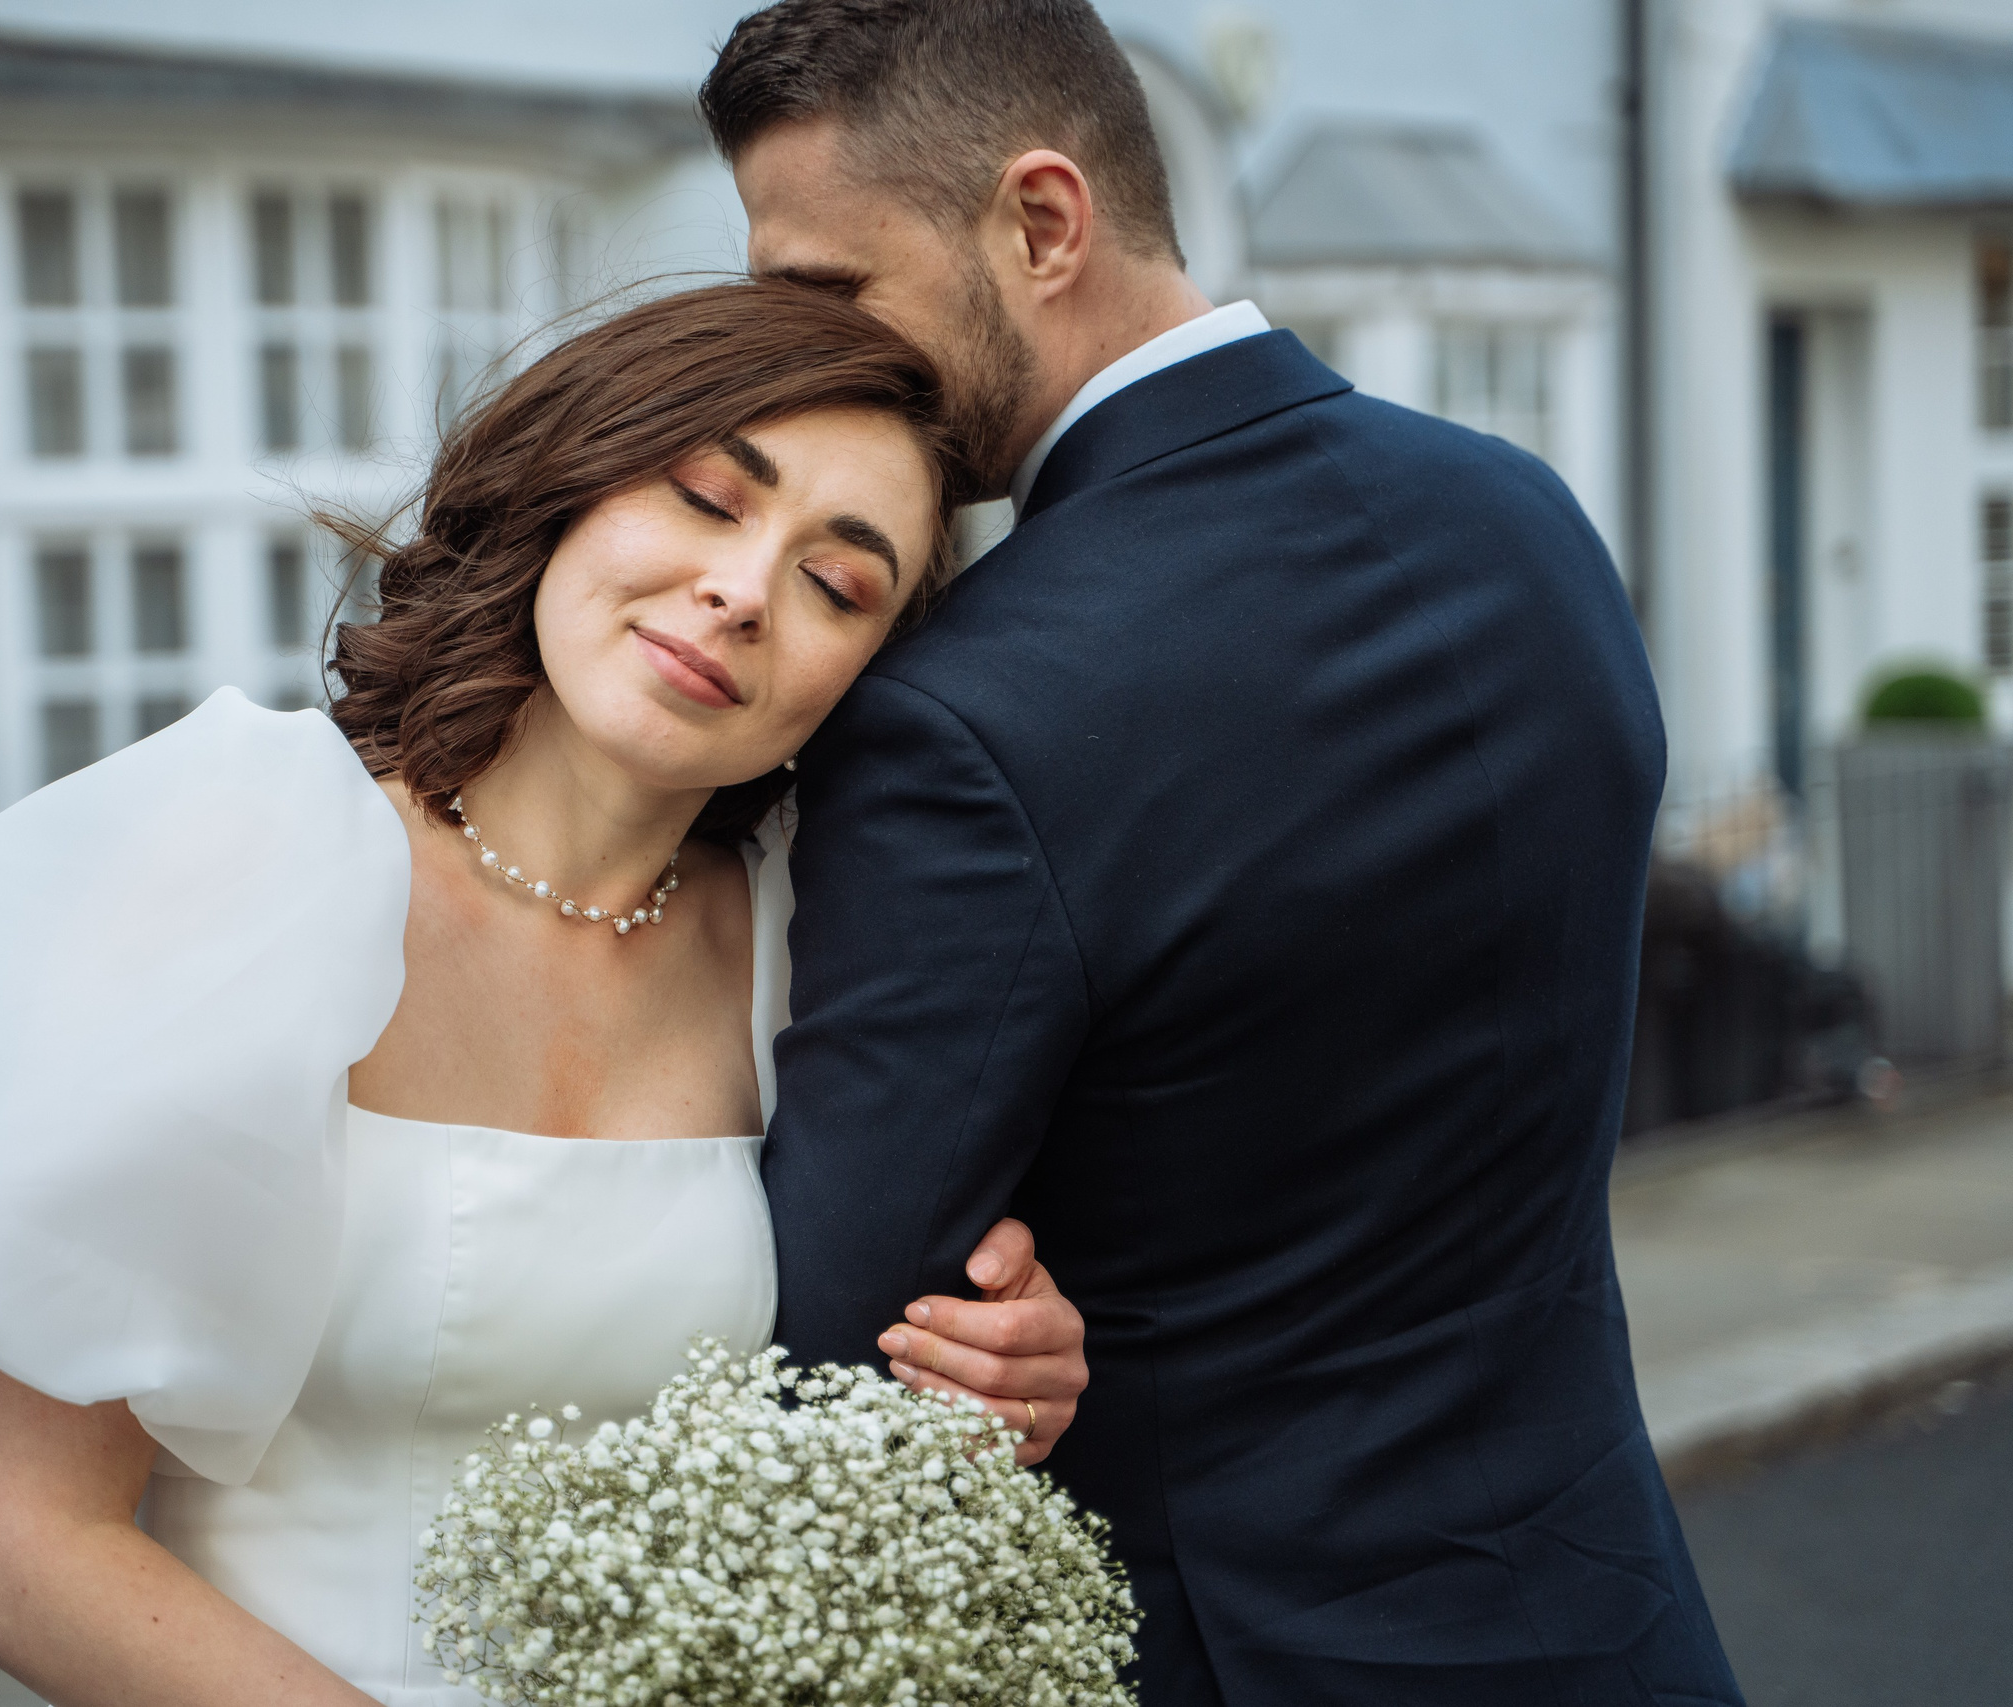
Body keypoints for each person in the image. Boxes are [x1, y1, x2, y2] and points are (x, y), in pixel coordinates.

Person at [0, 281, 1090, 1707]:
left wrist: (1000, 1372)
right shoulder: (238, 864)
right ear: (570, 484)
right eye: (706, 498)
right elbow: (15, 1549)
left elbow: (857, 1377)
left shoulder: (823, 948)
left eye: (838, 584)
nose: (744, 593)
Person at [701, 3, 1746, 1703]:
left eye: (829, 292)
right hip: (1611, 1616)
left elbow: (837, 1324)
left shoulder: (963, 717)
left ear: (1043, 223)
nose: (804, 354)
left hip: (1250, 1656)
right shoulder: (1525, 522)